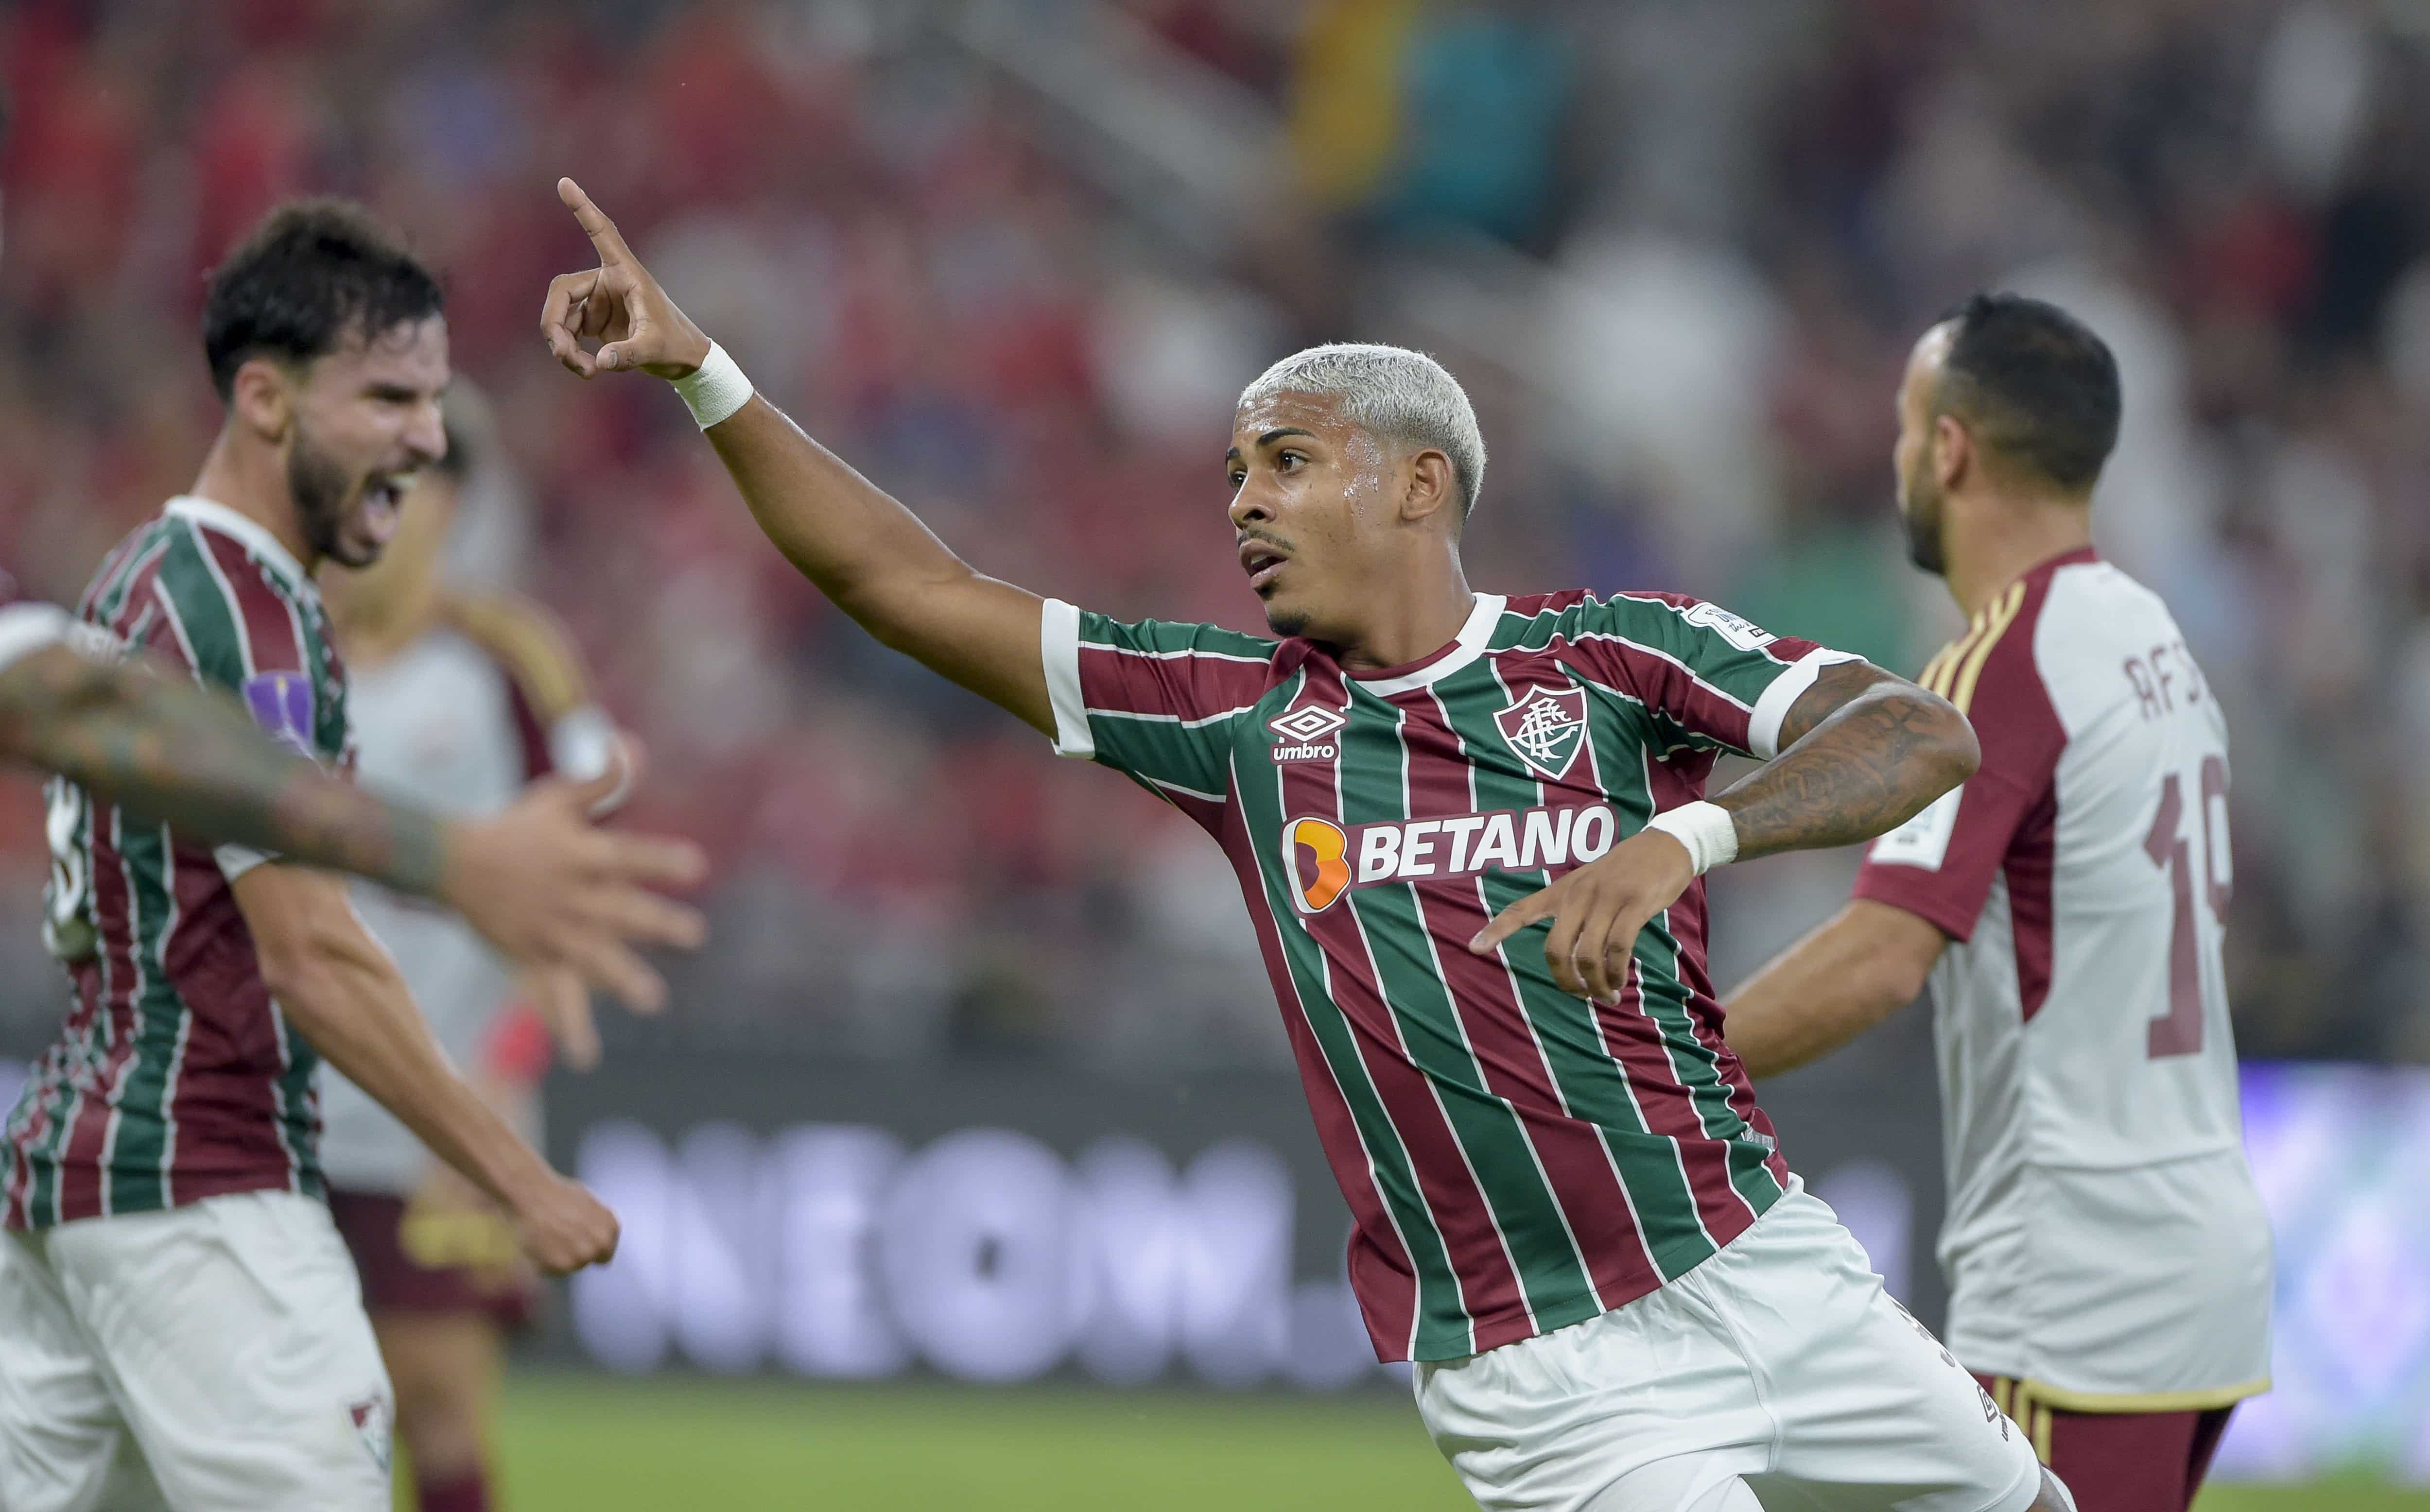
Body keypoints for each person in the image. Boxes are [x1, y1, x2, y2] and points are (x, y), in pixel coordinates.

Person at [542, 178, 2076, 1512]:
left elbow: (1920, 735)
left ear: (1419, 487)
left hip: (1764, 1260)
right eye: (1233, 478)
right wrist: (707, 376)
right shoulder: (1235, 723)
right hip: (1538, 1360)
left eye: (1284, 462)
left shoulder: (1615, 657)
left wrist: (1684, 838)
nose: (1245, 507)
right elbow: (913, 590)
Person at [0, 199, 629, 1512]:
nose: (427, 436)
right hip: (206, 1195)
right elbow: (313, 953)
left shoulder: (144, 576)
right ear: (268, 399)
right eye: (389, 397)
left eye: (436, 402)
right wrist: (520, 1177)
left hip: (78, 1183)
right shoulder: (248, 625)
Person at [1722, 294, 2272, 1512]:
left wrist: (1657, 1065)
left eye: (1907, 426)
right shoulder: (2151, 636)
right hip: (2192, 1237)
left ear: (1952, 449)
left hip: (2079, 1268)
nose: (1896, 455)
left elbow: (1879, 956)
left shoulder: (2001, 665)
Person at [318, 387, 621, 1512]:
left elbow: (582, 884)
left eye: (419, 483)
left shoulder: (511, 662)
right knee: (288, 1416)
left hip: (444, 1107)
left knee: (438, 1402)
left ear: (453, 503)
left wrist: (506, 1062)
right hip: (285, 1101)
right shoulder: (272, 652)